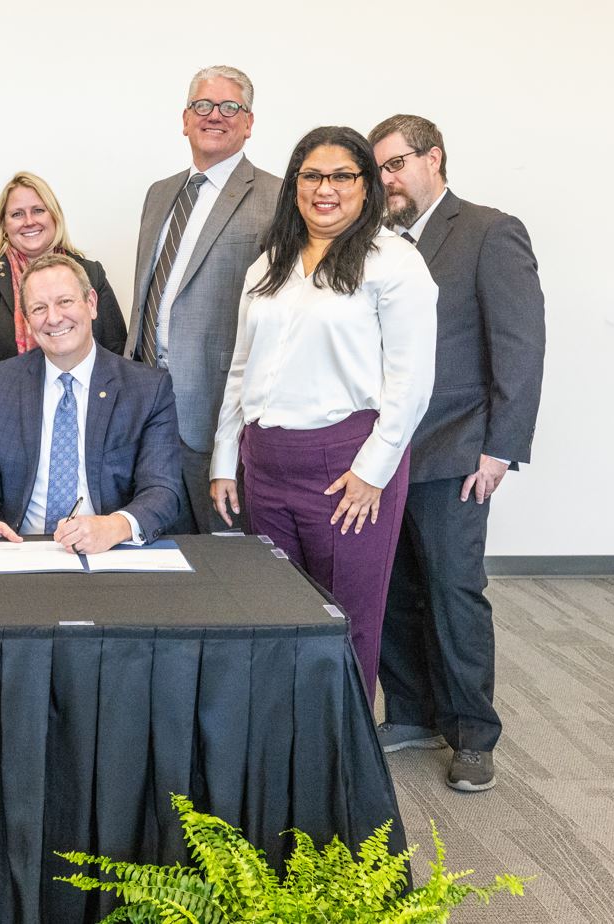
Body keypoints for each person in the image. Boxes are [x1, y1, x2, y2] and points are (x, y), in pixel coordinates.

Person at [210, 126, 438, 702]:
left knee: (346, 620)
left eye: (341, 176)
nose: (325, 189)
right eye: (311, 176)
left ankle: (340, 749)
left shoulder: (395, 263)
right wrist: (224, 458)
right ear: (295, 185)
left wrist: (373, 471)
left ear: (366, 185)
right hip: (265, 465)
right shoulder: (270, 264)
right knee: (275, 613)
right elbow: (241, 367)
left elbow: (411, 382)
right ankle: (282, 741)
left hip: (347, 468)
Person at [368, 114, 546, 793]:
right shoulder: (377, 243)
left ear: (433, 158)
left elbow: (520, 346)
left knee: (453, 591)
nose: (386, 179)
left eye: (395, 164)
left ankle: (473, 732)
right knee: (392, 591)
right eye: (378, 169)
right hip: (381, 454)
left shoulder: (488, 232)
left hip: (457, 451)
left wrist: (500, 449)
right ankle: (412, 713)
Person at [126, 65, 280, 533]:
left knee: (222, 551)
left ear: (249, 122)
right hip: (144, 402)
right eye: (203, 105)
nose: (215, 115)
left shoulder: (277, 197)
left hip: (216, 411)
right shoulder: (159, 194)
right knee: (151, 543)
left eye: (230, 106)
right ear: (185, 119)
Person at [0, 254, 183, 554]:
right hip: (21, 551)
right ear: (26, 320)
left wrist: (115, 526)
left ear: (91, 303)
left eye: (65, 302)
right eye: (39, 308)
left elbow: (163, 490)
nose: (54, 318)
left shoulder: (147, 388)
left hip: (110, 552)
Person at [0, 171, 127, 457]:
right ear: (4, 224)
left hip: (86, 419)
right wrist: (30, 405)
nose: (29, 221)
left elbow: (114, 347)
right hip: (0, 423)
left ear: (54, 216)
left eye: (38, 210)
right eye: (17, 214)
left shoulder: (90, 272)